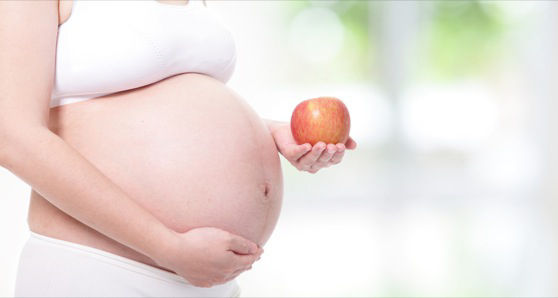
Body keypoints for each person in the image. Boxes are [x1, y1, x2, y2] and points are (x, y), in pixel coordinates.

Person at [0, 0, 357, 296]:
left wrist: (269, 132)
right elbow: (12, 136)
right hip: (99, 269)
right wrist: (166, 247)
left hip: (209, 278)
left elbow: (164, 108)